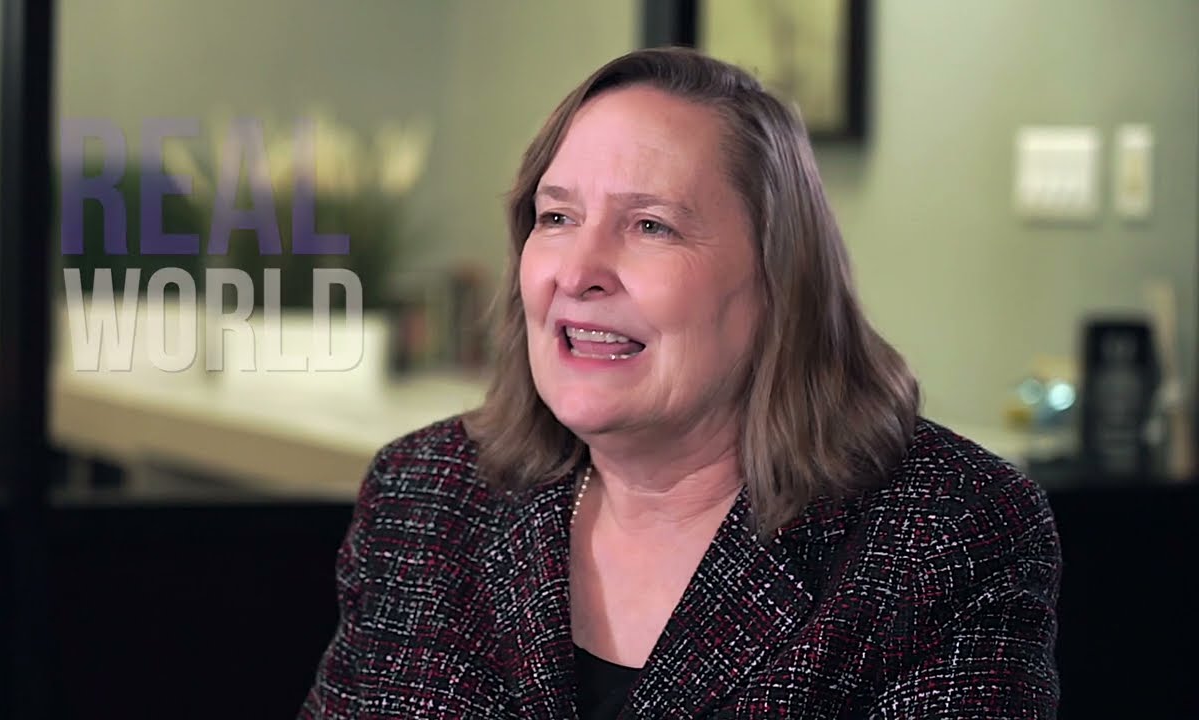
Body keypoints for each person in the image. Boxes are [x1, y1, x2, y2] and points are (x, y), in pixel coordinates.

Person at [300, 47, 1060, 719]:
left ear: (778, 279)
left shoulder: (946, 533)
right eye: (556, 217)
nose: (579, 272)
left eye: (651, 226)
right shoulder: (422, 493)